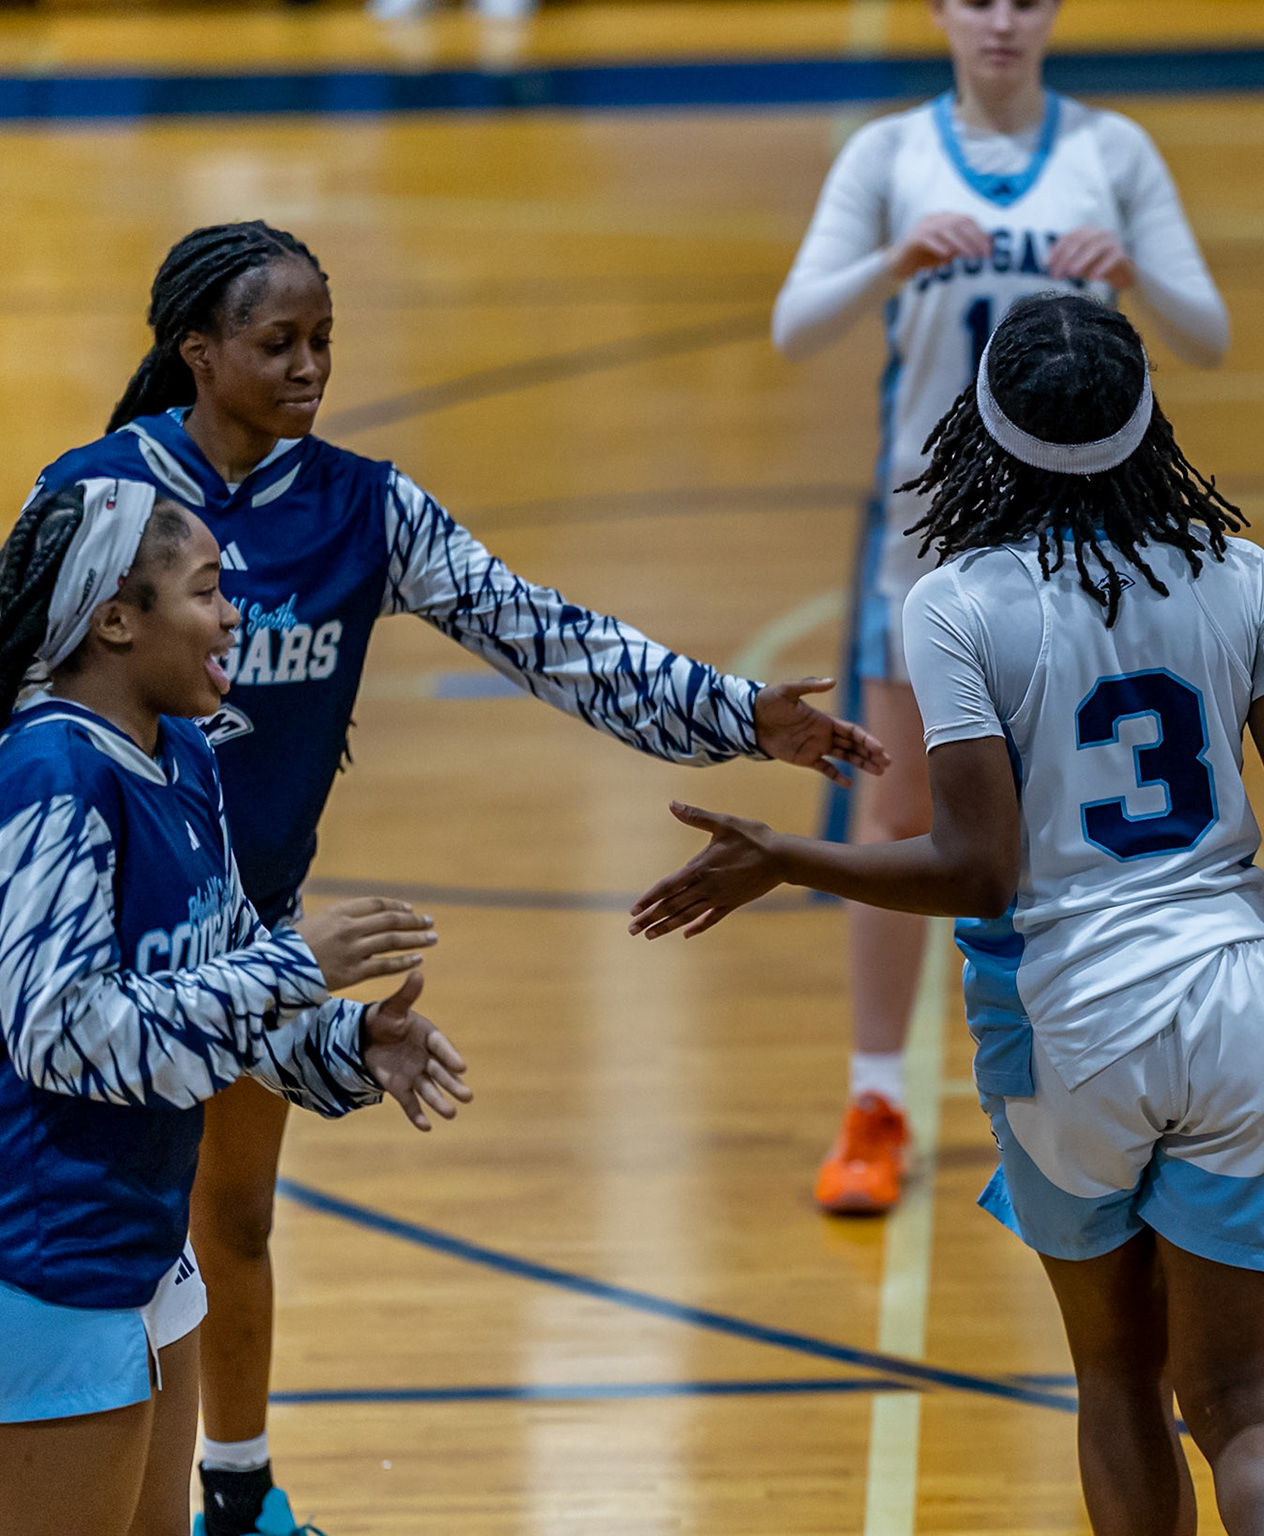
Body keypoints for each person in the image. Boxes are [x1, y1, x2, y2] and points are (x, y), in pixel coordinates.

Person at [632, 294, 1264, 1535]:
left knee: (1119, 1380)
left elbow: (977, 871)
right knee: (1251, 1403)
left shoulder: (956, 603)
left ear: (981, 428)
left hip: (1070, 1020)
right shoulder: (1238, 573)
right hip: (1238, 1005)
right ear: (1146, 420)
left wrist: (787, 857)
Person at [32, 220, 888, 1536]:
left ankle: (238, 1491)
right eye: (279, 343)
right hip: (92, 928)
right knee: (75, 1222)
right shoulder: (99, 500)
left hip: (243, 928)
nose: (312, 366)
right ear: (197, 353)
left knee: (228, 1222)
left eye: (325, 340)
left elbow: (544, 635)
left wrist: (734, 715)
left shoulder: (364, 505)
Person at [772, 0, 1229, 1214]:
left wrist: (1135, 272)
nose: (1003, 22)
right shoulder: (888, 154)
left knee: (1078, 808)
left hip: (1081, 540)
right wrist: (890, 264)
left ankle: (1100, 1077)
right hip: (924, 542)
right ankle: (876, 1097)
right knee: (898, 811)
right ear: (939, 12)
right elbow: (794, 324)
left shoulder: (1111, 150)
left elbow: (1210, 333)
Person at [0, 480, 470, 1536]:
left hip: (143, 1236)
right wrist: (293, 969)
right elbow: (60, 1033)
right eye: (209, 591)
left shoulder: (186, 756)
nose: (234, 617)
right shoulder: (50, 775)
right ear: (116, 621)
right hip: (43, 1261)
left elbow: (217, 981)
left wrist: (346, 1044)